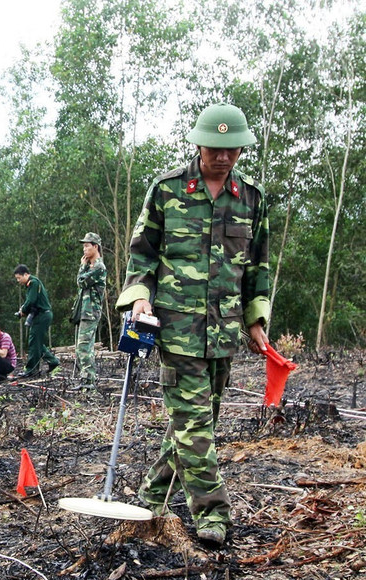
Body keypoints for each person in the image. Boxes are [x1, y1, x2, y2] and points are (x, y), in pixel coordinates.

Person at [115, 103, 270, 546]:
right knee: (196, 425)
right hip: (177, 328)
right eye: (214, 148)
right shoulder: (166, 191)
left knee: (195, 422)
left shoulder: (252, 199)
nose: (222, 157)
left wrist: (256, 320)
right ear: (198, 143)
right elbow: (141, 254)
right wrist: (140, 295)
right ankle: (212, 514)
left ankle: (152, 496)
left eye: (231, 149)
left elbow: (258, 266)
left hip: (225, 331)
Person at [9, 264, 60, 379]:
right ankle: (52, 361)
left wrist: (23, 311)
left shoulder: (33, 283)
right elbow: (30, 301)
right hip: (40, 315)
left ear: (26, 274)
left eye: (19, 278)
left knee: (33, 342)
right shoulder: (31, 284)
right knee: (36, 342)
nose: (18, 280)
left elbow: (31, 300)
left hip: (42, 315)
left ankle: (31, 370)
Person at [70, 232, 107, 390]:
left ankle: (88, 382)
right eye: (83, 246)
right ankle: (86, 379)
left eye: (87, 245)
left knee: (84, 347)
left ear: (95, 247)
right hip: (85, 312)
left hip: (91, 312)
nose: (84, 249)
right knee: (83, 347)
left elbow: (81, 282)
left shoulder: (98, 267)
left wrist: (82, 266)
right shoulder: (91, 266)